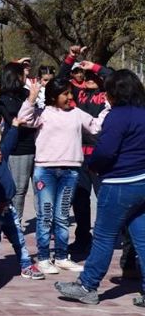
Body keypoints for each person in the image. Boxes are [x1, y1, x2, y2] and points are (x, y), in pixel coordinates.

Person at [54, 70, 145, 307]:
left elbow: (105, 151)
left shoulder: (117, 116)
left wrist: (93, 165)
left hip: (119, 183)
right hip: (142, 182)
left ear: (116, 92)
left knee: (104, 237)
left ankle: (87, 285)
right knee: (142, 238)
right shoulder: (142, 113)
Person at [17, 79, 108, 275]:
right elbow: (23, 118)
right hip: (45, 171)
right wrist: (31, 98)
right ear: (53, 96)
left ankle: (61, 256)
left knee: (62, 215)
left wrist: (108, 106)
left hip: (70, 172)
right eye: (65, 94)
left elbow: (96, 126)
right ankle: (43, 258)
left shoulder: (77, 114)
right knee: (45, 216)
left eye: (70, 93)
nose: (70, 97)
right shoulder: (43, 115)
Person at [58, 47, 113, 253]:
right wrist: (72, 57)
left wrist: (95, 66)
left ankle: (107, 238)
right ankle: (82, 238)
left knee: (106, 199)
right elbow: (60, 77)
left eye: (94, 76)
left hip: (101, 156)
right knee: (79, 200)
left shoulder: (107, 94)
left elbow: (114, 76)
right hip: (79, 156)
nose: (90, 78)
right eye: (86, 75)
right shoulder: (76, 93)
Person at [0, 119, 44, 281]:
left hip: (8, 208)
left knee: (18, 237)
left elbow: (8, 142)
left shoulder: (2, 159)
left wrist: (15, 126)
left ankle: (26, 264)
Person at [0, 62, 38, 227]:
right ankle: (14, 223)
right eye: (23, 73)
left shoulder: (27, 93)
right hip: (18, 149)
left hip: (36, 146)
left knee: (40, 189)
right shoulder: (4, 100)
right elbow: (18, 120)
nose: (26, 77)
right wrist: (31, 102)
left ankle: (44, 223)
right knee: (19, 190)